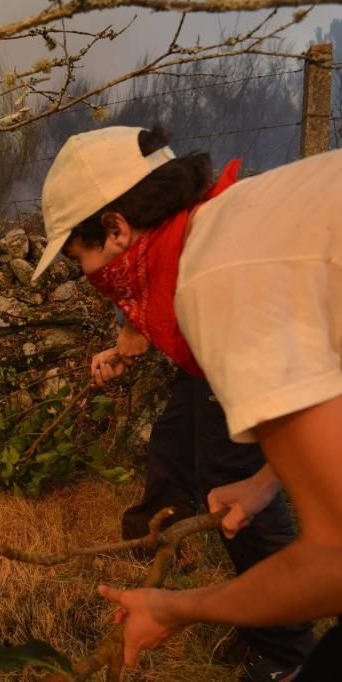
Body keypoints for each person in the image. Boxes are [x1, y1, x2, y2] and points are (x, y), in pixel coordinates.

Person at [32, 126, 341, 678]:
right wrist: (265, 481)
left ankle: (280, 658)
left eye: (79, 256)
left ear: (117, 228)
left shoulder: (218, 278)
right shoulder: (238, 224)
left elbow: (336, 559)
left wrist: (174, 608)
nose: (84, 275)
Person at [92, 317, 313, 680]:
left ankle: (286, 652)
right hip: (208, 346)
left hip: (238, 345)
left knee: (230, 476)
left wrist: (135, 324)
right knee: (175, 439)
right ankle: (154, 537)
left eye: (88, 255)